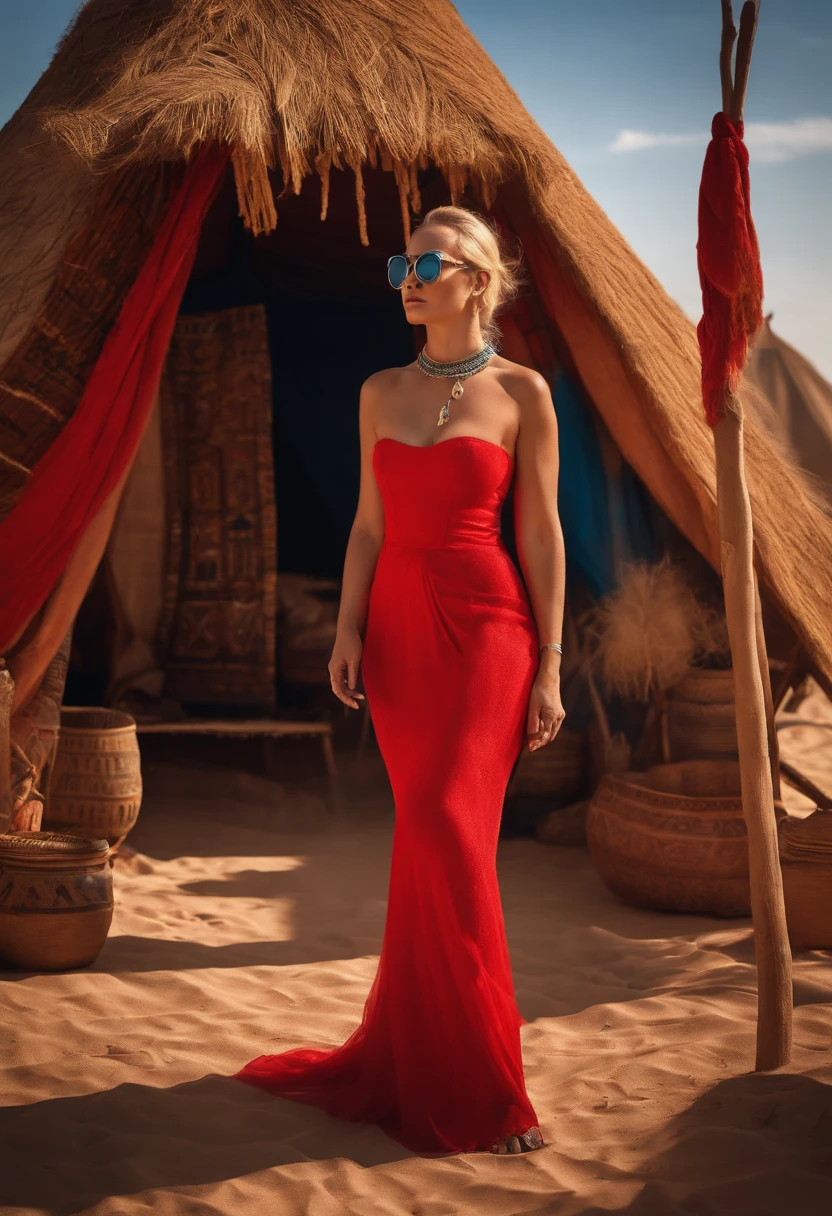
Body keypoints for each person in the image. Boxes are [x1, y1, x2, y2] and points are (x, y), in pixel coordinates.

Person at [234, 204, 566, 1156]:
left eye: (428, 263)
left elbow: (538, 534)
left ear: (478, 278)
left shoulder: (524, 393)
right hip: (396, 638)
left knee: (453, 835)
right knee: (424, 842)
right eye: (402, 265)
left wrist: (550, 663)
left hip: (490, 631)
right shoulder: (380, 390)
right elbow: (371, 527)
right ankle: (422, 1063)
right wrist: (345, 629)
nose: (408, 279)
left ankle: (488, 1089)